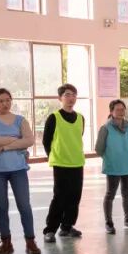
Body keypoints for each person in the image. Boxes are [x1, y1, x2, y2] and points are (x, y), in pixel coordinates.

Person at [0, 88, 41, 254]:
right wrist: (15, 139)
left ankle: (30, 240)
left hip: (18, 169)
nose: (5, 104)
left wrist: (4, 147)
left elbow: (29, 140)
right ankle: (6, 242)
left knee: (24, 205)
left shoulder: (21, 120)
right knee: (1, 206)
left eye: (8, 100)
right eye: (1, 101)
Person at [42, 84, 85, 242]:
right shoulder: (54, 117)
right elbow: (46, 140)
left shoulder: (80, 118)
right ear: (60, 98)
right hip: (61, 164)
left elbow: (78, 136)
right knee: (60, 197)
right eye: (67, 94)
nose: (71, 98)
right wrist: (53, 156)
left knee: (75, 197)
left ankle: (67, 226)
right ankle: (50, 230)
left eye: (73, 94)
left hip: (77, 162)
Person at [96, 99, 128, 235]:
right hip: (113, 167)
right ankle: (108, 222)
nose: (121, 112)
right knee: (110, 194)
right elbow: (99, 149)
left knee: (127, 194)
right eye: (117, 109)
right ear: (111, 111)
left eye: (122, 109)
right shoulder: (105, 128)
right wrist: (110, 158)